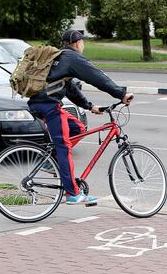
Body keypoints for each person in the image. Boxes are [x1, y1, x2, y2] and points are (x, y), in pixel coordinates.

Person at [28, 29, 133, 205]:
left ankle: (50, 162)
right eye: (82, 42)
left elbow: (69, 88)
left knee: (78, 128)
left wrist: (90, 106)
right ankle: (72, 194)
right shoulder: (72, 58)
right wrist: (121, 94)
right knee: (64, 147)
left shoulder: (61, 58)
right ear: (77, 43)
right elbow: (96, 77)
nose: (83, 45)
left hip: (42, 103)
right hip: (49, 105)